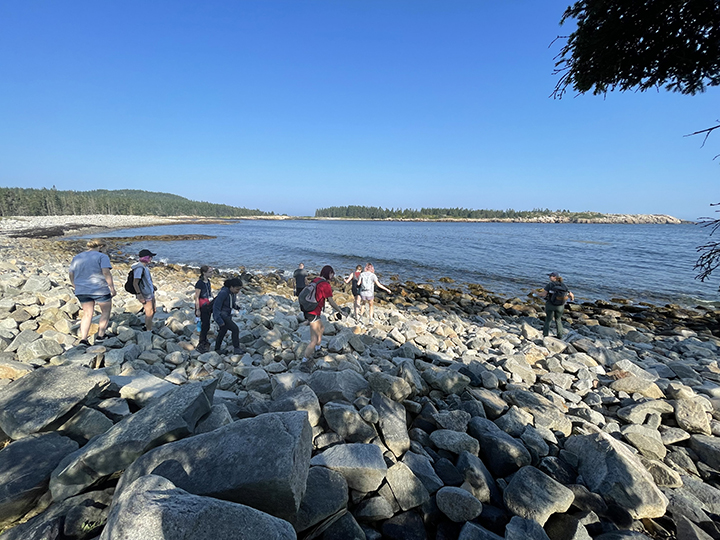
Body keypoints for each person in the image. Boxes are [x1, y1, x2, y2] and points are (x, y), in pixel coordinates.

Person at [68, 240, 116, 345]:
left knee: (87, 314)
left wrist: (74, 285)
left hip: (82, 290)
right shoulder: (102, 257)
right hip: (99, 289)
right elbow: (106, 272)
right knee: (105, 312)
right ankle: (100, 335)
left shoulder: (77, 257)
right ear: (101, 247)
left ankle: (84, 339)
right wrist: (111, 287)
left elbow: (71, 273)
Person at [299, 265, 344, 372]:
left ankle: (318, 350)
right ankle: (304, 361)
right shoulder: (325, 285)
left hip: (311, 310)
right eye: (332, 274)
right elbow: (331, 302)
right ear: (329, 274)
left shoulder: (316, 280)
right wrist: (340, 311)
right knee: (313, 340)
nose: (333, 276)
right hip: (313, 312)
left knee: (322, 327)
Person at [539, 272, 575, 339]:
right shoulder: (564, 285)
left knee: (548, 320)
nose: (549, 277)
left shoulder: (550, 285)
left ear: (554, 277)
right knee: (558, 320)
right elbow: (571, 295)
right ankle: (559, 336)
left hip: (550, 304)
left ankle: (545, 335)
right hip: (560, 306)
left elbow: (543, 294)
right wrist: (571, 299)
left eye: (550, 276)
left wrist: (536, 293)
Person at [213, 277, 243, 355]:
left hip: (227, 314)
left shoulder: (232, 293)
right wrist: (219, 320)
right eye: (237, 289)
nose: (238, 291)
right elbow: (216, 307)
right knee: (235, 329)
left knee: (223, 331)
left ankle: (217, 349)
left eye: (239, 289)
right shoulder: (223, 293)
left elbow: (231, 303)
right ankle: (236, 348)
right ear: (231, 287)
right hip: (222, 315)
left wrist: (237, 307)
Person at [131, 249, 157, 332]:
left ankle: (147, 325)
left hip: (149, 291)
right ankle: (148, 330)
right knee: (149, 312)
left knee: (154, 310)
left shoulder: (145, 267)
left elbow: (146, 280)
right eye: (150, 257)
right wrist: (139, 294)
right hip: (145, 293)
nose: (151, 259)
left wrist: (152, 286)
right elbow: (135, 282)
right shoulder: (139, 268)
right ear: (145, 258)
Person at [194, 265, 214, 353]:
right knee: (204, 324)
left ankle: (204, 339)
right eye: (210, 272)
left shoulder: (208, 281)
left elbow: (209, 292)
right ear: (204, 273)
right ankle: (201, 341)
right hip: (203, 304)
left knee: (207, 323)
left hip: (208, 303)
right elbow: (196, 296)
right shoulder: (200, 283)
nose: (212, 273)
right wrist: (197, 309)